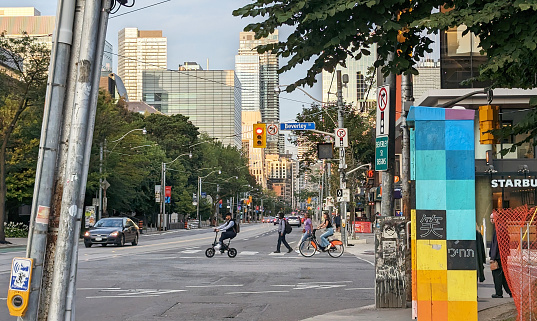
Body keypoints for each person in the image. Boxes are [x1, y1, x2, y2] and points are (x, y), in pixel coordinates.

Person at [489, 213, 512, 298]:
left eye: (492, 219)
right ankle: (510, 292)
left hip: (498, 257)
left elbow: (496, 245)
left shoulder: (498, 229)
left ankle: (499, 293)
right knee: (504, 275)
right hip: (503, 256)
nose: (491, 220)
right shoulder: (503, 228)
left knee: (497, 275)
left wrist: (493, 257)